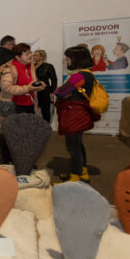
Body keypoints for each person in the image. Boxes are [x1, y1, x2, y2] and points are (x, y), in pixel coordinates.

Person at [0, 43, 45, 163]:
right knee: (10, 136)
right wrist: (28, 88)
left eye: (30, 53)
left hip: (29, 105)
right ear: (17, 57)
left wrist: (38, 86)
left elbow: (29, 84)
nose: (30, 55)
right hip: (12, 106)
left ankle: (24, 160)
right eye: (26, 54)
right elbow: (6, 87)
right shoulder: (9, 68)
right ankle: (8, 161)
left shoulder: (30, 67)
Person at [54, 46, 99, 183]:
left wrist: (60, 91)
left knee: (73, 147)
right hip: (80, 113)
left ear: (75, 59)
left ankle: (75, 176)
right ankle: (82, 171)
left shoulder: (79, 76)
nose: (66, 61)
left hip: (74, 114)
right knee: (77, 144)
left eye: (68, 58)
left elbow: (60, 92)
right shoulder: (88, 74)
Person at [33, 50, 57, 124]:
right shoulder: (32, 66)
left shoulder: (48, 66)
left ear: (42, 57)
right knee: (34, 110)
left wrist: (52, 92)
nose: (33, 57)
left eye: (35, 55)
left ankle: (46, 127)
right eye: (33, 55)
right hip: (33, 91)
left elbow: (54, 79)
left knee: (45, 111)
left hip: (45, 91)